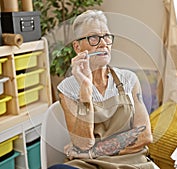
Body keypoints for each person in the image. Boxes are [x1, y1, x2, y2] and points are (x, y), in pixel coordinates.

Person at [49, 10, 158, 169]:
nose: (103, 43)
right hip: (88, 164)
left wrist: (94, 151)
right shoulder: (67, 89)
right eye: (94, 38)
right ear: (77, 47)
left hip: (129, 161)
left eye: (107, 36)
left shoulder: (129, 80)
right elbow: (83, 144)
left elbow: (144, 136)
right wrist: (85, 86)